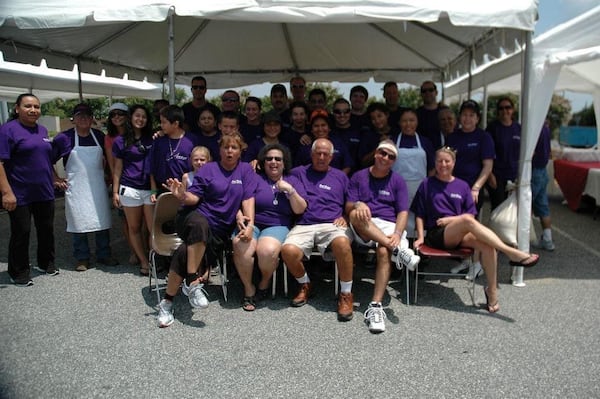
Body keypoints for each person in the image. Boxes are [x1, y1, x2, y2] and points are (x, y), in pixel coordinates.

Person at [411, 146, 540, 313]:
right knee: (465, 219)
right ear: (434, 163)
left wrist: (452, 219)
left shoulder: (463, 186)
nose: (443, 164)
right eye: (439, 161)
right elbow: (420, 214)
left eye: (447, 161)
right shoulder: (427, 184)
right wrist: (420, 237)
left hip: (461, 233)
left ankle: (491, 290)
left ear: (454, 163)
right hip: (437, 234)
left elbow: (470, 217)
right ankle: (512, 253)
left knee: (487, 245)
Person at [157, 134, 256, 328]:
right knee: (200, 225)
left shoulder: (245, 170)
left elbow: (247, 198)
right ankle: (193, 282)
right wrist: (182, 195)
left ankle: (166, 303)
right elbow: (194, 198)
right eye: (226, 147)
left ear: (240, 151)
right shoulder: (208, 169)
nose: (229, 151)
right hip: (192, 218)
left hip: (219, 230)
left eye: (234, 148)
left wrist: (249, 224)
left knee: (184, 251)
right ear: (219, 151)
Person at [346, 141, 420, 333]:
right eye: (382, 153)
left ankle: (376, 307)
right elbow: (348, 207)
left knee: (383, 250)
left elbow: (403, 212)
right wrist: (358, 205)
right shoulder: (359, 176)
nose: (385, 158)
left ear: (394, 161)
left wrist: (396, 233)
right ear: (375, 153)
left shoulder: (398, 181)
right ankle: (398, 250)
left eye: (390, 156)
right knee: (355, 215)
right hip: (365, 225)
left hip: (388, 226)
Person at [281, 138, 355, 322]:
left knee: (343, 243)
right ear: (311, 154)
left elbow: (351, 203)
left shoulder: (341, 176)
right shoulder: (298, 173)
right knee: (287, 251)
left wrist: (345, 217)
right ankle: (305, 284)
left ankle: (346, 294)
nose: (321, 157)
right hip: (304, 223)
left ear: (331, 157)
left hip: (332, 224)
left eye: (325, 154)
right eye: (318, 153)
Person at [233, 143, 307, 311]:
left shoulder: (292, 180)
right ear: (262, 162)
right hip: (252, 221)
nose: (273, 162)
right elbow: (235, 197)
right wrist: (239, 215)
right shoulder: (254, 177)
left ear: (284, 162)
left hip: (278, 224)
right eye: (269, 159)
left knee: (266, 251)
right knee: (240, 244)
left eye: (278, 159)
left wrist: (290, 191)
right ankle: (248, 289)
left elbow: (300, 209)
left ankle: (264, 283)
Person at [1, 93, 59, 285]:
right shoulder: (8, 130)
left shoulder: (42, 130)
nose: (33, 110)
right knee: (22, 232)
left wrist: (55, 177)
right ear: (17, 108)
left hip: (44, 191)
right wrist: (6, 192)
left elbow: (45, 159)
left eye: (36, 106)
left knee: (46, 229)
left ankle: (46, 263)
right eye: (28, 106)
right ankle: (18, 272)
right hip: (20, 193)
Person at [53, 103, 118, 271]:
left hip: (97, 184)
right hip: (77, 187)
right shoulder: (64, 138)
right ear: (73, 119)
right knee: (78, 220)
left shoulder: (99, 136)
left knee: (101, 219)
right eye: (79, 115)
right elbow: (47, 159)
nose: (83, 118)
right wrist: (55, 177)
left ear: (92, 119)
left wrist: (110, 175)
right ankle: (82, 257)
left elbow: (109, 159)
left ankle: (104, 254)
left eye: (87, 116)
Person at [446, 100, 495, 279]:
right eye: (464, 115)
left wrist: (476, 188)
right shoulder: (453, 137)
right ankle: (467, 259)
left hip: (473, 191)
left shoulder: (484, 137)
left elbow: (488, 165)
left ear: (477, 118)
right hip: (452, 190)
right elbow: (446, 161)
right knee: (457, 227)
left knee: (472, 227)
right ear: (460, 117)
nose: (467, 119)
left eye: (471, 115)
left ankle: (477, 264)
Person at [111, 104, 154, 276]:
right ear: (131, 117)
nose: (140, 119)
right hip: (129, 189)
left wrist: (154, 191)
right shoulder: (120, 141)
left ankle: (153, 259)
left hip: (148, 190)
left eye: (144, 116)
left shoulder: (152, 139)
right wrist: (115, 192)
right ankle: (143, 261)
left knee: (152, 228)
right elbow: (117, 169)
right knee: (134, 227)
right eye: (137, 116)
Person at [391, 108, 435, 237]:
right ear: (399, 123)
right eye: (404, 121)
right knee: (399, 216)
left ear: (417, 122)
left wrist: (427, 186)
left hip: (420, 186)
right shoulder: (392, 141)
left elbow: (432, 168)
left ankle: (418, 246)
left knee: (419, 217)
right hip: (397, 187)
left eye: (412, 120)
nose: (408, 124)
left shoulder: (425, 142)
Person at [149, 105, 195, 199]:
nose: (161, 125)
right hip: (162, 191)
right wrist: (153, 191)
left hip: (187, 190)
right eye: (160, 122)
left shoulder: (192, 141)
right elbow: (151, 168)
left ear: (175, 124)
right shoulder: (159, 140)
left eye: (164, 122)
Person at [485, 97, 521, 210]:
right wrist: (490, 175)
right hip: (497, 176)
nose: (505, 111)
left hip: (515, 176)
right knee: (498, 208)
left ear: (513, 109)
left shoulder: (518, 128)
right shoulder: (492, 128)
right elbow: (486, 153)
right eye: (501, 108)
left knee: (513, 208)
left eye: (508, 107)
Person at [294, 109, 353, 175]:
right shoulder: (305, 146)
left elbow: (347, 165)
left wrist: (338, 179)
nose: (320, 129)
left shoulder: (339, 143)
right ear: (311, 129)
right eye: (316, 126)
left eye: (323, 125)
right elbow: (298, 169)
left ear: (329, 128)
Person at [532, 121, 555, 251]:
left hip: (534, 169)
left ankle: (522, 240)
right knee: (543, 206)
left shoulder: (535, 128)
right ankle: (548, 239)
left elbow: (531, 151)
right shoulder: (545, 127)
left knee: (525, 205)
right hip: (542, 170)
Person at [358, 102, 399, 168]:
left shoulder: (397, 133)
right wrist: (380, 147)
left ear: (387, 115)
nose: (377, 121)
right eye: (373, 119)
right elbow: (363, 162)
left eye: (379, 116)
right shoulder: (367, 136)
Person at [331, 98, 361, 173]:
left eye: (346, 111)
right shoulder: (327, 132)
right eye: (338, 112)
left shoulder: (359, 132)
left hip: (355, 177)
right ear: (333, 113)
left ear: (350, 112)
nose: (342, 115)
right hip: (332, 178)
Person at [416, 81, 443, 149]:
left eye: (431, 90)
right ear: (421, 94)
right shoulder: (416, 114)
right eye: (424, 91)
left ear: (436, 92)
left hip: (443, 152)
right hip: (423, 151)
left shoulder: (445, 111)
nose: (427, 93)